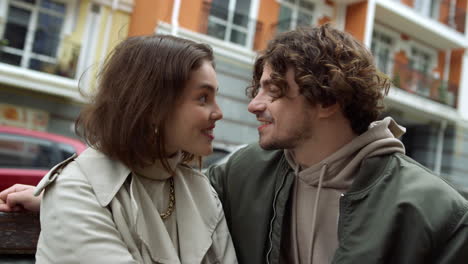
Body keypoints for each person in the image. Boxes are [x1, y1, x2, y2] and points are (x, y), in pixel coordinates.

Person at [2, 24, 468, 264]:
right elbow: (127, 187)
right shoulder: (244, 173)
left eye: (273, 90)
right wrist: (56, 196)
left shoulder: (435, 211)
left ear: (326, 100)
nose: (249, 107)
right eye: (255, 89)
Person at [0, 35, 237, 264]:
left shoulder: (201, 191)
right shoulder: (77, 191)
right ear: (152, 105)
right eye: (203, 98)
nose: (218, 113)